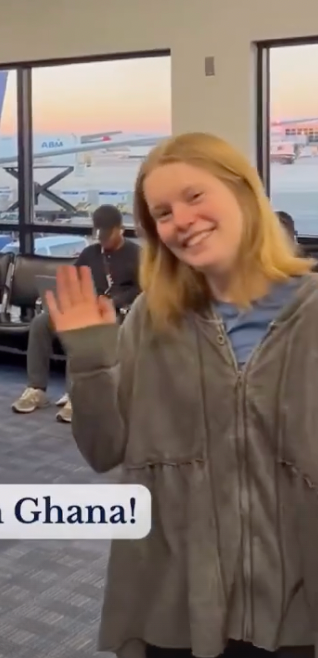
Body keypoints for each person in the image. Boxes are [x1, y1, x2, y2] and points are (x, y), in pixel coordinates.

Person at [47, 132, 316, 658]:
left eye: (196, 196)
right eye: (162, 213)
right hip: (178, 604)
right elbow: (104, 451)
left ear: (244, 192)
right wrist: (90, 360)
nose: (182, 221)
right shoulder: (153, 318)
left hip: (296, 610)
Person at [11, 204, 140, 423]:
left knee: (82, 329)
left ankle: (77, 396)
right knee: (41, 323)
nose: (104, 242)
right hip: (85, 306)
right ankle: (36, 388)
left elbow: (142, 289)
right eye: (100, 237)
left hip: (115, 313)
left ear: (120, 230)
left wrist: (114, 300)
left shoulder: (136, 255)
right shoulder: (91, 253)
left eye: (107, 237)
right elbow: (73, 279)